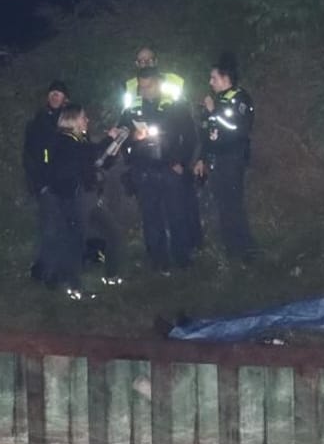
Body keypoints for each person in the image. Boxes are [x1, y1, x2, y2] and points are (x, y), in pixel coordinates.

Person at [117, 67, 199, 274]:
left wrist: (182, 162)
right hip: (144, 170)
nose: (144, 91)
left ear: (158, 84)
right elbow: (120, 136)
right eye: (141, 87)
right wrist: (133, 139)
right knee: (151, 218)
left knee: (177, 215)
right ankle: (158, 262)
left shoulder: (174, 106)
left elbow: (190, 137)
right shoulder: (132, 109)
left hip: (170, 168)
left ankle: (183, 260)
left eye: (149, 86)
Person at [35, 105, 123, 297]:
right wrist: (109, 138)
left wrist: (113, 150)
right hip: (75, 199)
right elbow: (88, 153)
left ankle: (111, 275)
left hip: (89, 196)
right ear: (73, 120)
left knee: (113, 232)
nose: (87, 121)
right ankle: (74, 287)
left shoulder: (80, 139)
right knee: (75, 242)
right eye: (83, 118)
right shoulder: (64, 141)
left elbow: (96, 162)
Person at [194, 55, 257, 264]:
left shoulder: (240, 98)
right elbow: (207, 132)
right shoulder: (217, 101)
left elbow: (237, 129)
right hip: (217, 161)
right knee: (222, 205)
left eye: (213, 78)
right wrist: (202, 158)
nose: (210, 82)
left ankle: (246, 251)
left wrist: (215, 111)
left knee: (233, 205)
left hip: (233, 158)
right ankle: (231, 251)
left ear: (225, 77)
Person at [22, 80, 70, 281]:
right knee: (48, 228)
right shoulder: (38, 122)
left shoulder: (70, 121)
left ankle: (56, 269)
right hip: (46, 184)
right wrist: (38, 183)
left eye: (58, 94)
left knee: (63, 227)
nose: (54, 97)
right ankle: (44, 270)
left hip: (66, 184)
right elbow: (29, 156)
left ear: (65, 99)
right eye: (52, 94)